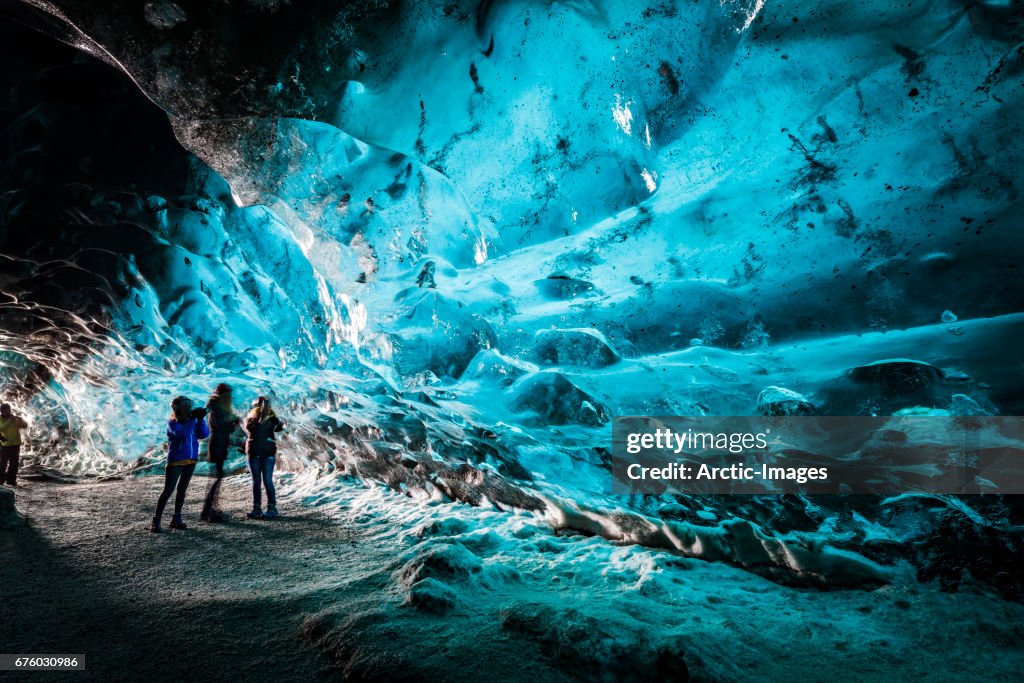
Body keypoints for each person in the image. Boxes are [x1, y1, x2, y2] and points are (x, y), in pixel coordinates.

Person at [151, 395, 209, 533]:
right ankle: (156, 520)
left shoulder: (192, 421)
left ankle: (176, 518)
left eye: (190, 406)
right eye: (186, 406)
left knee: (182, 489)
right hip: (176, 460)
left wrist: (200, 419)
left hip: (191, 459)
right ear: (178, 408)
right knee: (168, 490)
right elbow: (183, 433)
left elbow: (203, 434)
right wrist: (194, 419)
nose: (189, 409)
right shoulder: (172, 424)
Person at [200, 383, 239, 523]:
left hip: (219, 444)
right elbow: (222, 426)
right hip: (217, 445)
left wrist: (232, 422)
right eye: (228, 394)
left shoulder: (217, 407)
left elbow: (225, 427)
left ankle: (209, 510)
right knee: (216, 478)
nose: (230, 397)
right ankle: (209, 511)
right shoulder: (216, 408)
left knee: (216, 478)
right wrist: (233, 421)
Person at [244, 396, 283, 520]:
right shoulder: (251, 420)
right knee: (256, 482)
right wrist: (260, 416)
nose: (264, 407)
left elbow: (279, 428)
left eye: (266, 405)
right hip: (254, 453)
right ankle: (257, 508)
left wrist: (267, 416)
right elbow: (251, 428)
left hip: (267, 454)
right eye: (261, 405)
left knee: (267, 481)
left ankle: (272, 508)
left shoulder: (273, 420)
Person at [0, 403, 28, 486]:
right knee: (2, 465)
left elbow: (24, 426)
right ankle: (0, 481)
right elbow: (2, 428)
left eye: (9, 410)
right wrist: (9, 420)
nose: (8, 412)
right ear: (1, 411)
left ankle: (11, 480)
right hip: (4, 445)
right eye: (6, 410)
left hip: (15, 445)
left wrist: (21, 421)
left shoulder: (14, 419)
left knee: (14, 464)